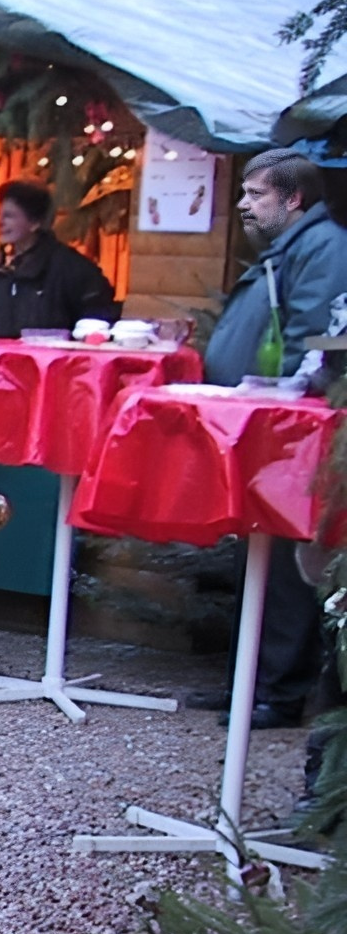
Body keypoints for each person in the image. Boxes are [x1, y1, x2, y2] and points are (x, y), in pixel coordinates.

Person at [199, 149, 347, 727]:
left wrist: (277, 402)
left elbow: (313, 342)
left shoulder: (324, 249)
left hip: (288, 431)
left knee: (284, 564)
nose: (242, 204)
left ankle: (279, 693)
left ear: (294, 200)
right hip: (260, 424)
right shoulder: (290, 248)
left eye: (256, 195)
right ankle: (246, 682)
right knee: (257, 558)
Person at [0, 178, 117, 340]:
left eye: (9, 216)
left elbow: (96, 321)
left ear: (35, 223)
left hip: (51, 362)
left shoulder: (69, 268)